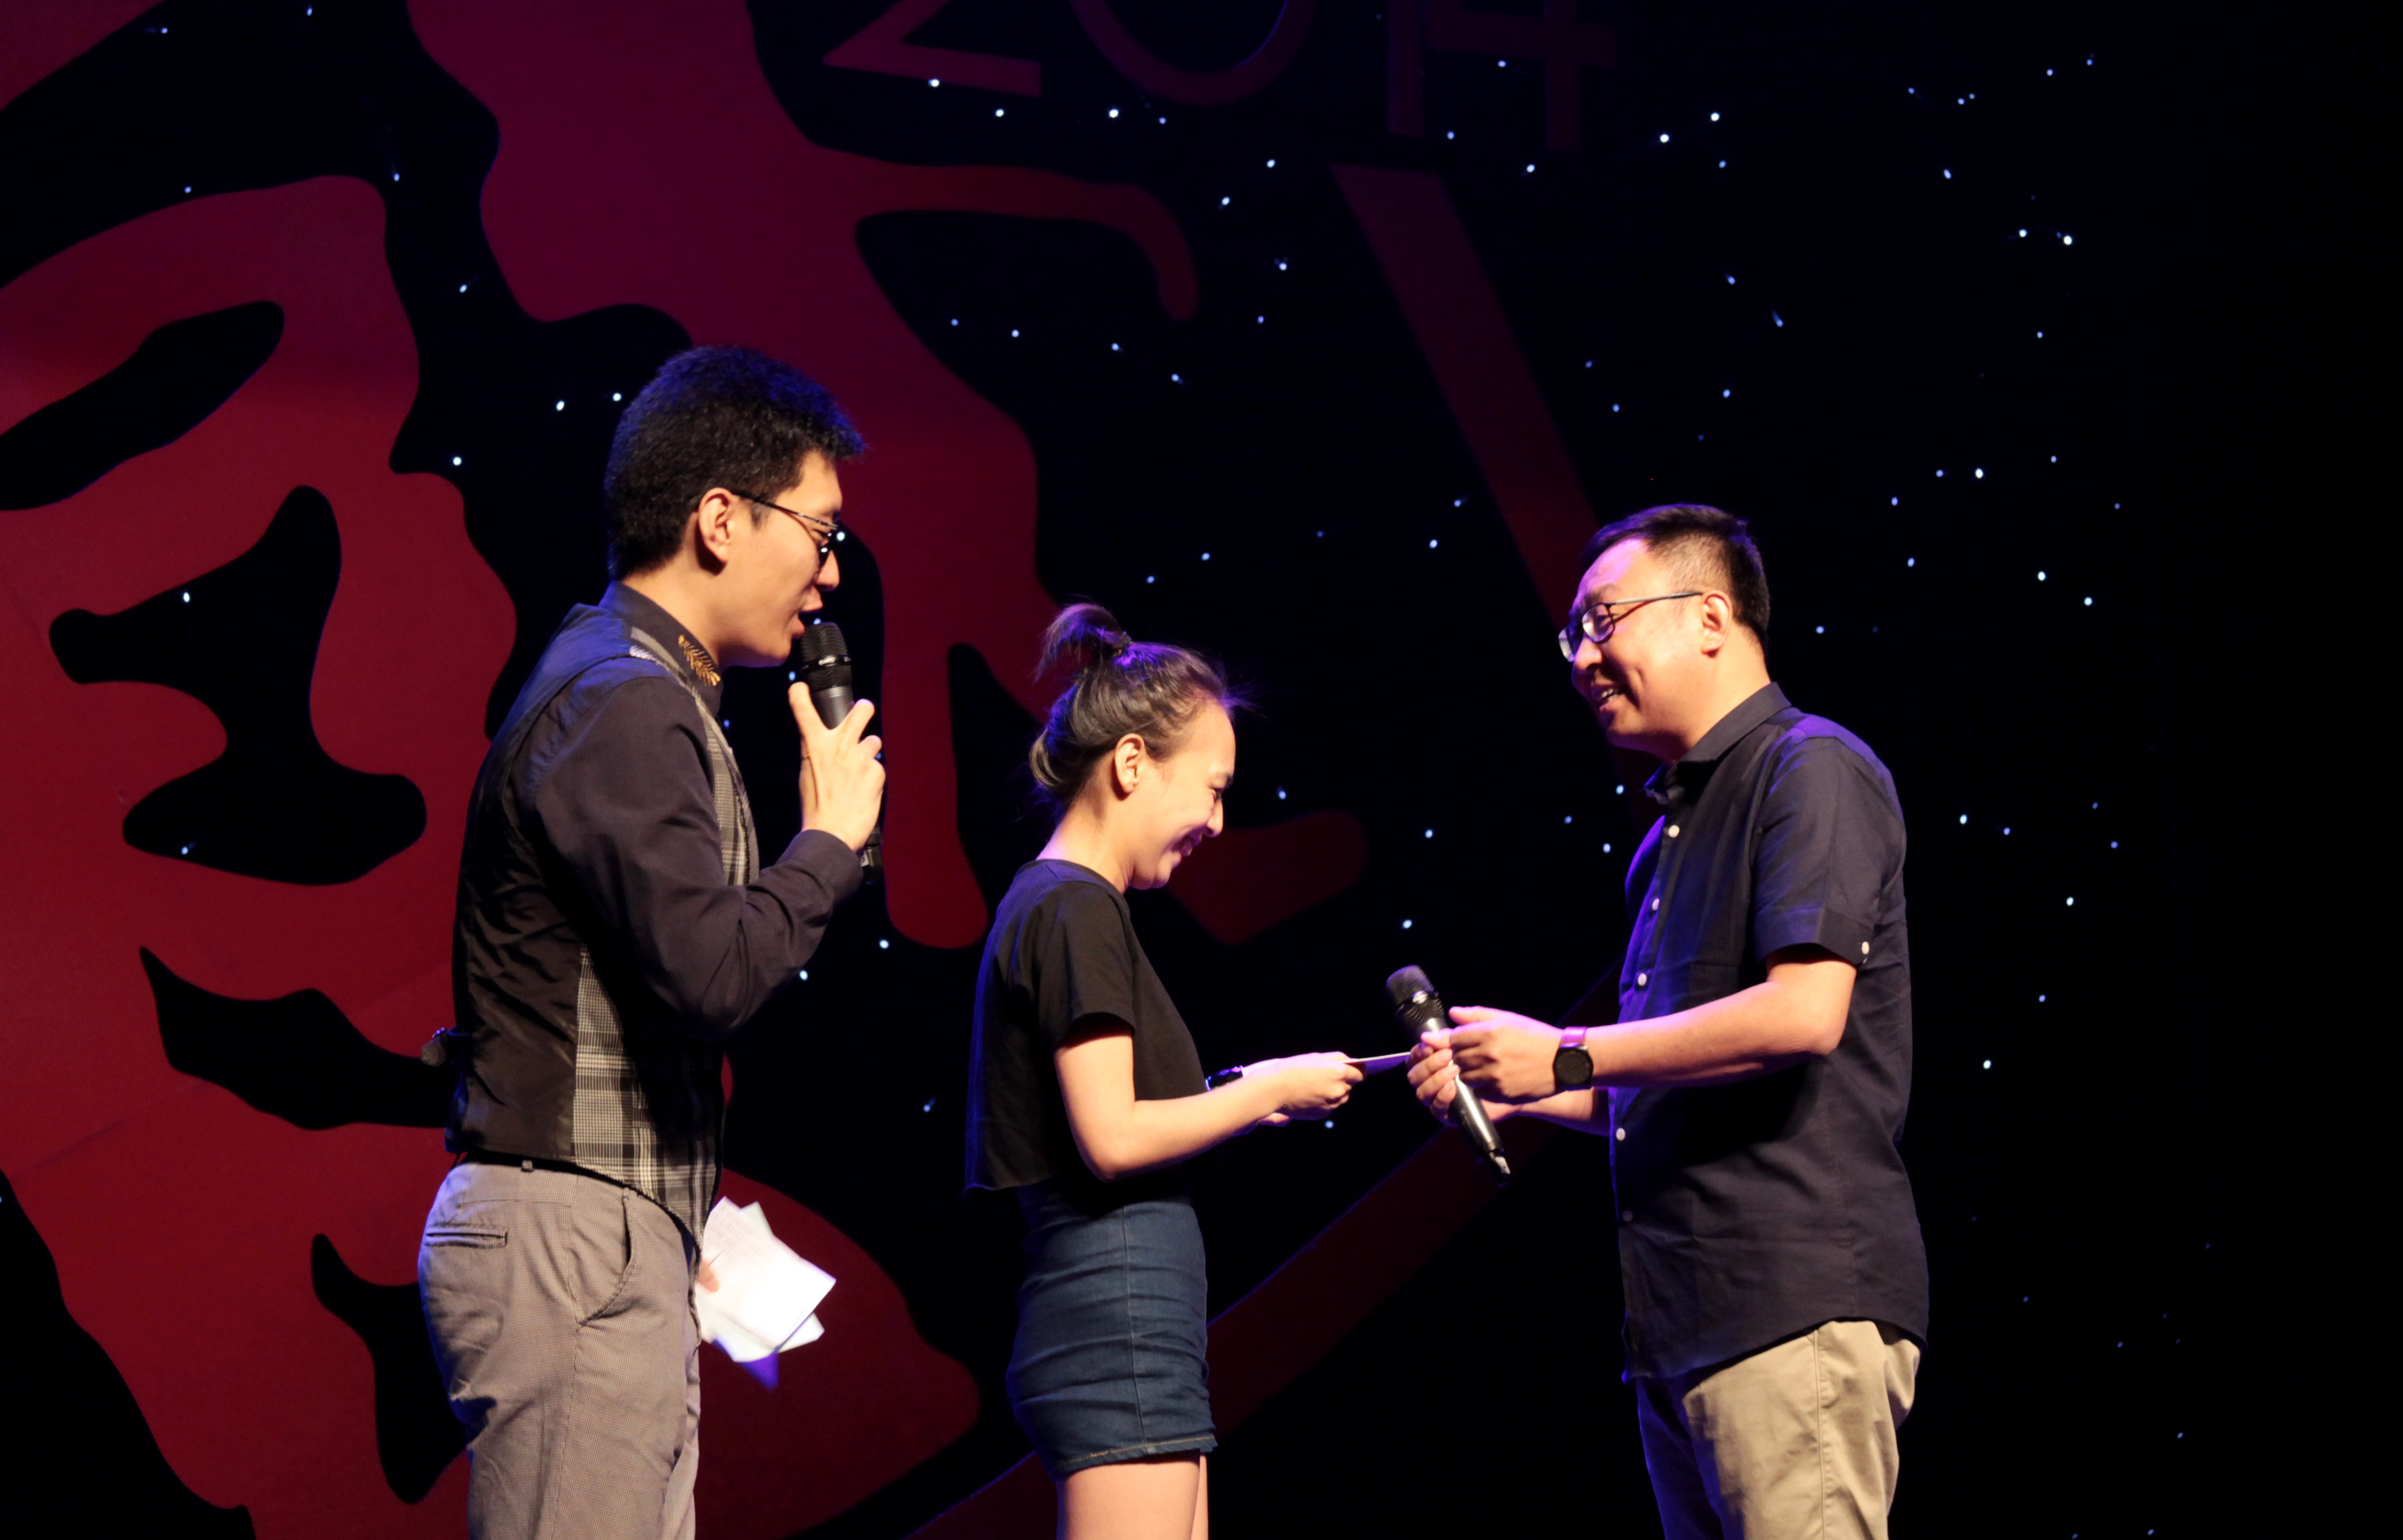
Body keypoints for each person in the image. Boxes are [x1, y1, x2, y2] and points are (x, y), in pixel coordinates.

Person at [418, 346, 887, 1540]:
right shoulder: (623, 699)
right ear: (721, 520)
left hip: (611, 1232)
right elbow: (709, 973)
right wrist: (827, 842)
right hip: (574, 1237)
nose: (831, 573)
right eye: (821, 532)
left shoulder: (641, 692)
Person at [1409, 504, 1929, 1540]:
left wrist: (1565, 1056)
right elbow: (1664, 1087)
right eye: (1572, 635)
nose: (1582, 658)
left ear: (1711, 617)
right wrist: (1522, 1089)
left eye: (1602, 621)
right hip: (1681, 1324)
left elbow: (1803, 1014)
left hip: (1789, 1303)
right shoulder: (1664, 842)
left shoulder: (1810, 767)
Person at [966, 604, 1362, 1540]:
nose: (1218, 824)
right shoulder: (1074, 909)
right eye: (1213, 790)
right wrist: (1266, 1090)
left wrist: (1243, 1097)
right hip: (1116, 1331)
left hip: (1136, 1335)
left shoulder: (1066, 905)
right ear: (1133, 763)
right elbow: (1112, 1138)